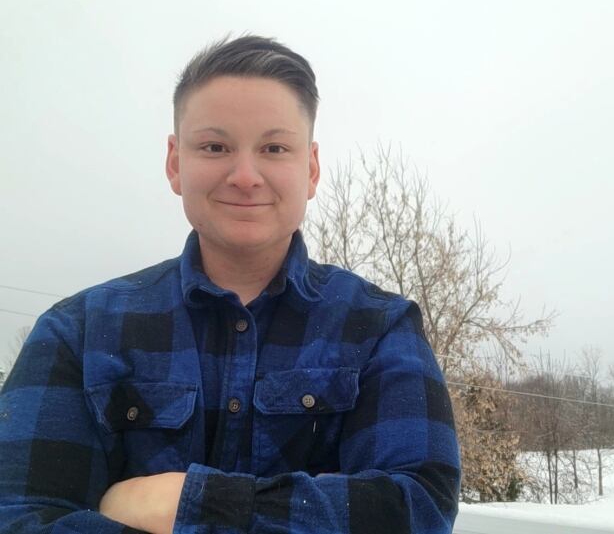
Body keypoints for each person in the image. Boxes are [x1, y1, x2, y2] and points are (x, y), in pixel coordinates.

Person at [0, 36, 461, 533]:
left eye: (274, 147)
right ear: (176, 163)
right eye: (215, 146)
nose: (245, 175)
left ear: (310, 168)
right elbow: (19, 516)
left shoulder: (379, 327)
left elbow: (419, 510)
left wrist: (186, 503)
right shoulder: (77, 332)